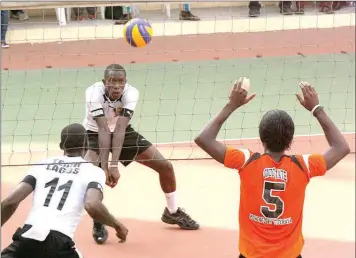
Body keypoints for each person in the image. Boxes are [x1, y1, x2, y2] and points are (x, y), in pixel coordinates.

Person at [194, 78, 350, 257]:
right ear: (290, 140)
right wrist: (316, 109)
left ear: (261, 137)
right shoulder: (303, 166)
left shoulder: (246, 161)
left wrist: (231, 105)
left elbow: (203, 139)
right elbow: (341, 147)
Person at [83, 64, 199, 244]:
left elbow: (120, 128)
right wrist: (105, 166)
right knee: (93, 176)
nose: (116, 86)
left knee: (165, 166)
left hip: (123, 133)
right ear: (104, 82)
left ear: (125, 82)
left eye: (120, 81)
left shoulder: (131, 93)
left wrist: (114, 165)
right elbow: (103, 129)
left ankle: (172, 211)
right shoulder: (93, 92)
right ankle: (99, 221)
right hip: (94, 134)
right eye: (112, 81)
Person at [1, 123, 128, 258]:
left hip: (27, 237)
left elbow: (10, 202)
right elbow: (92, 205)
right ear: (86, 145)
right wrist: (117, 225)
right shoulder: (93, 172)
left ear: (62, 146)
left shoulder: (42, 165)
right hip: (58, 243)